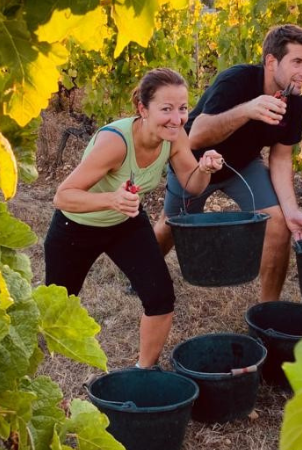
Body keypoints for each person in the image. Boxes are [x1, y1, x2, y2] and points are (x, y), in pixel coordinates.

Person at [44, 68, 223, 368]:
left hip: (126, 223)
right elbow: (63, 196)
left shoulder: (175, 135)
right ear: (143, 108)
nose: (177, 118)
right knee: (55, 313)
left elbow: (193, 187)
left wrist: (204, 170)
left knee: (161, 299)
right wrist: (110, 200)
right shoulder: (116, 142)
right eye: (166, 109)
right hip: (76, 226)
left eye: (182, 108)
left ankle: (144, 372)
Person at [154, 24, 302, 301]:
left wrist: (291, 210)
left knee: (278, 223)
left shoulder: (296, 101)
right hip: (196, 163)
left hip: (242, 165)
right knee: (170, 227)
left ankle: (268, 311)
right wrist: (248, 109)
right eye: (297, 62)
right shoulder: (236, 80)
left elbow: (281, 158)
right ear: (271, 61)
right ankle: (143, 274)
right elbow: (196, 136)